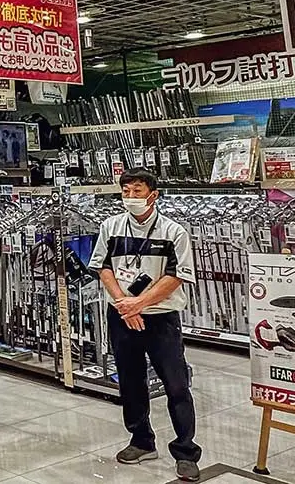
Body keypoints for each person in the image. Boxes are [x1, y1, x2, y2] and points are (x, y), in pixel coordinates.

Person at [88, 170, 202, 482]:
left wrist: (139, 304)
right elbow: (103, 267)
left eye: (137, 190)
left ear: (153, 195)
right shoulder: (111, 226)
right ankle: (141, 441)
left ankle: (186, 451)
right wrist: (124, 305)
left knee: (176, 384)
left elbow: (176, 276)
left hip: (161, 317)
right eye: (126, 190)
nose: (130, 196)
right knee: (130, 380)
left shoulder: (173, 231)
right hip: (122, 315)